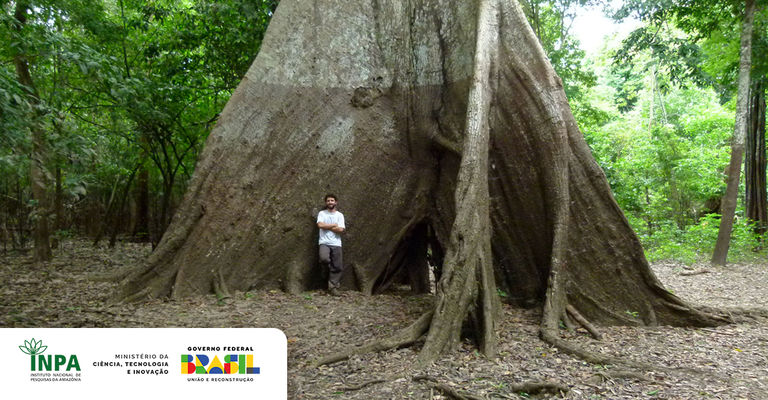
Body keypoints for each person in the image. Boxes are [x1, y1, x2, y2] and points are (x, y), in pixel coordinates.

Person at [317, 194, 345, 295]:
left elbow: (340, 229)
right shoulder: (322, 213)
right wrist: (333, 225)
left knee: (337, 266)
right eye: (328, 201)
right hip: (324, 242)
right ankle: (326, 271)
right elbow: (320, 225)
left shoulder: (339, 215)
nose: (330, 202)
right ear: (326, 202)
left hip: (336, 243)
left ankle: (333, 287)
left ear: (335, 202)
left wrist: (326, 226)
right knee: (324, 259)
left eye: (332, 200)